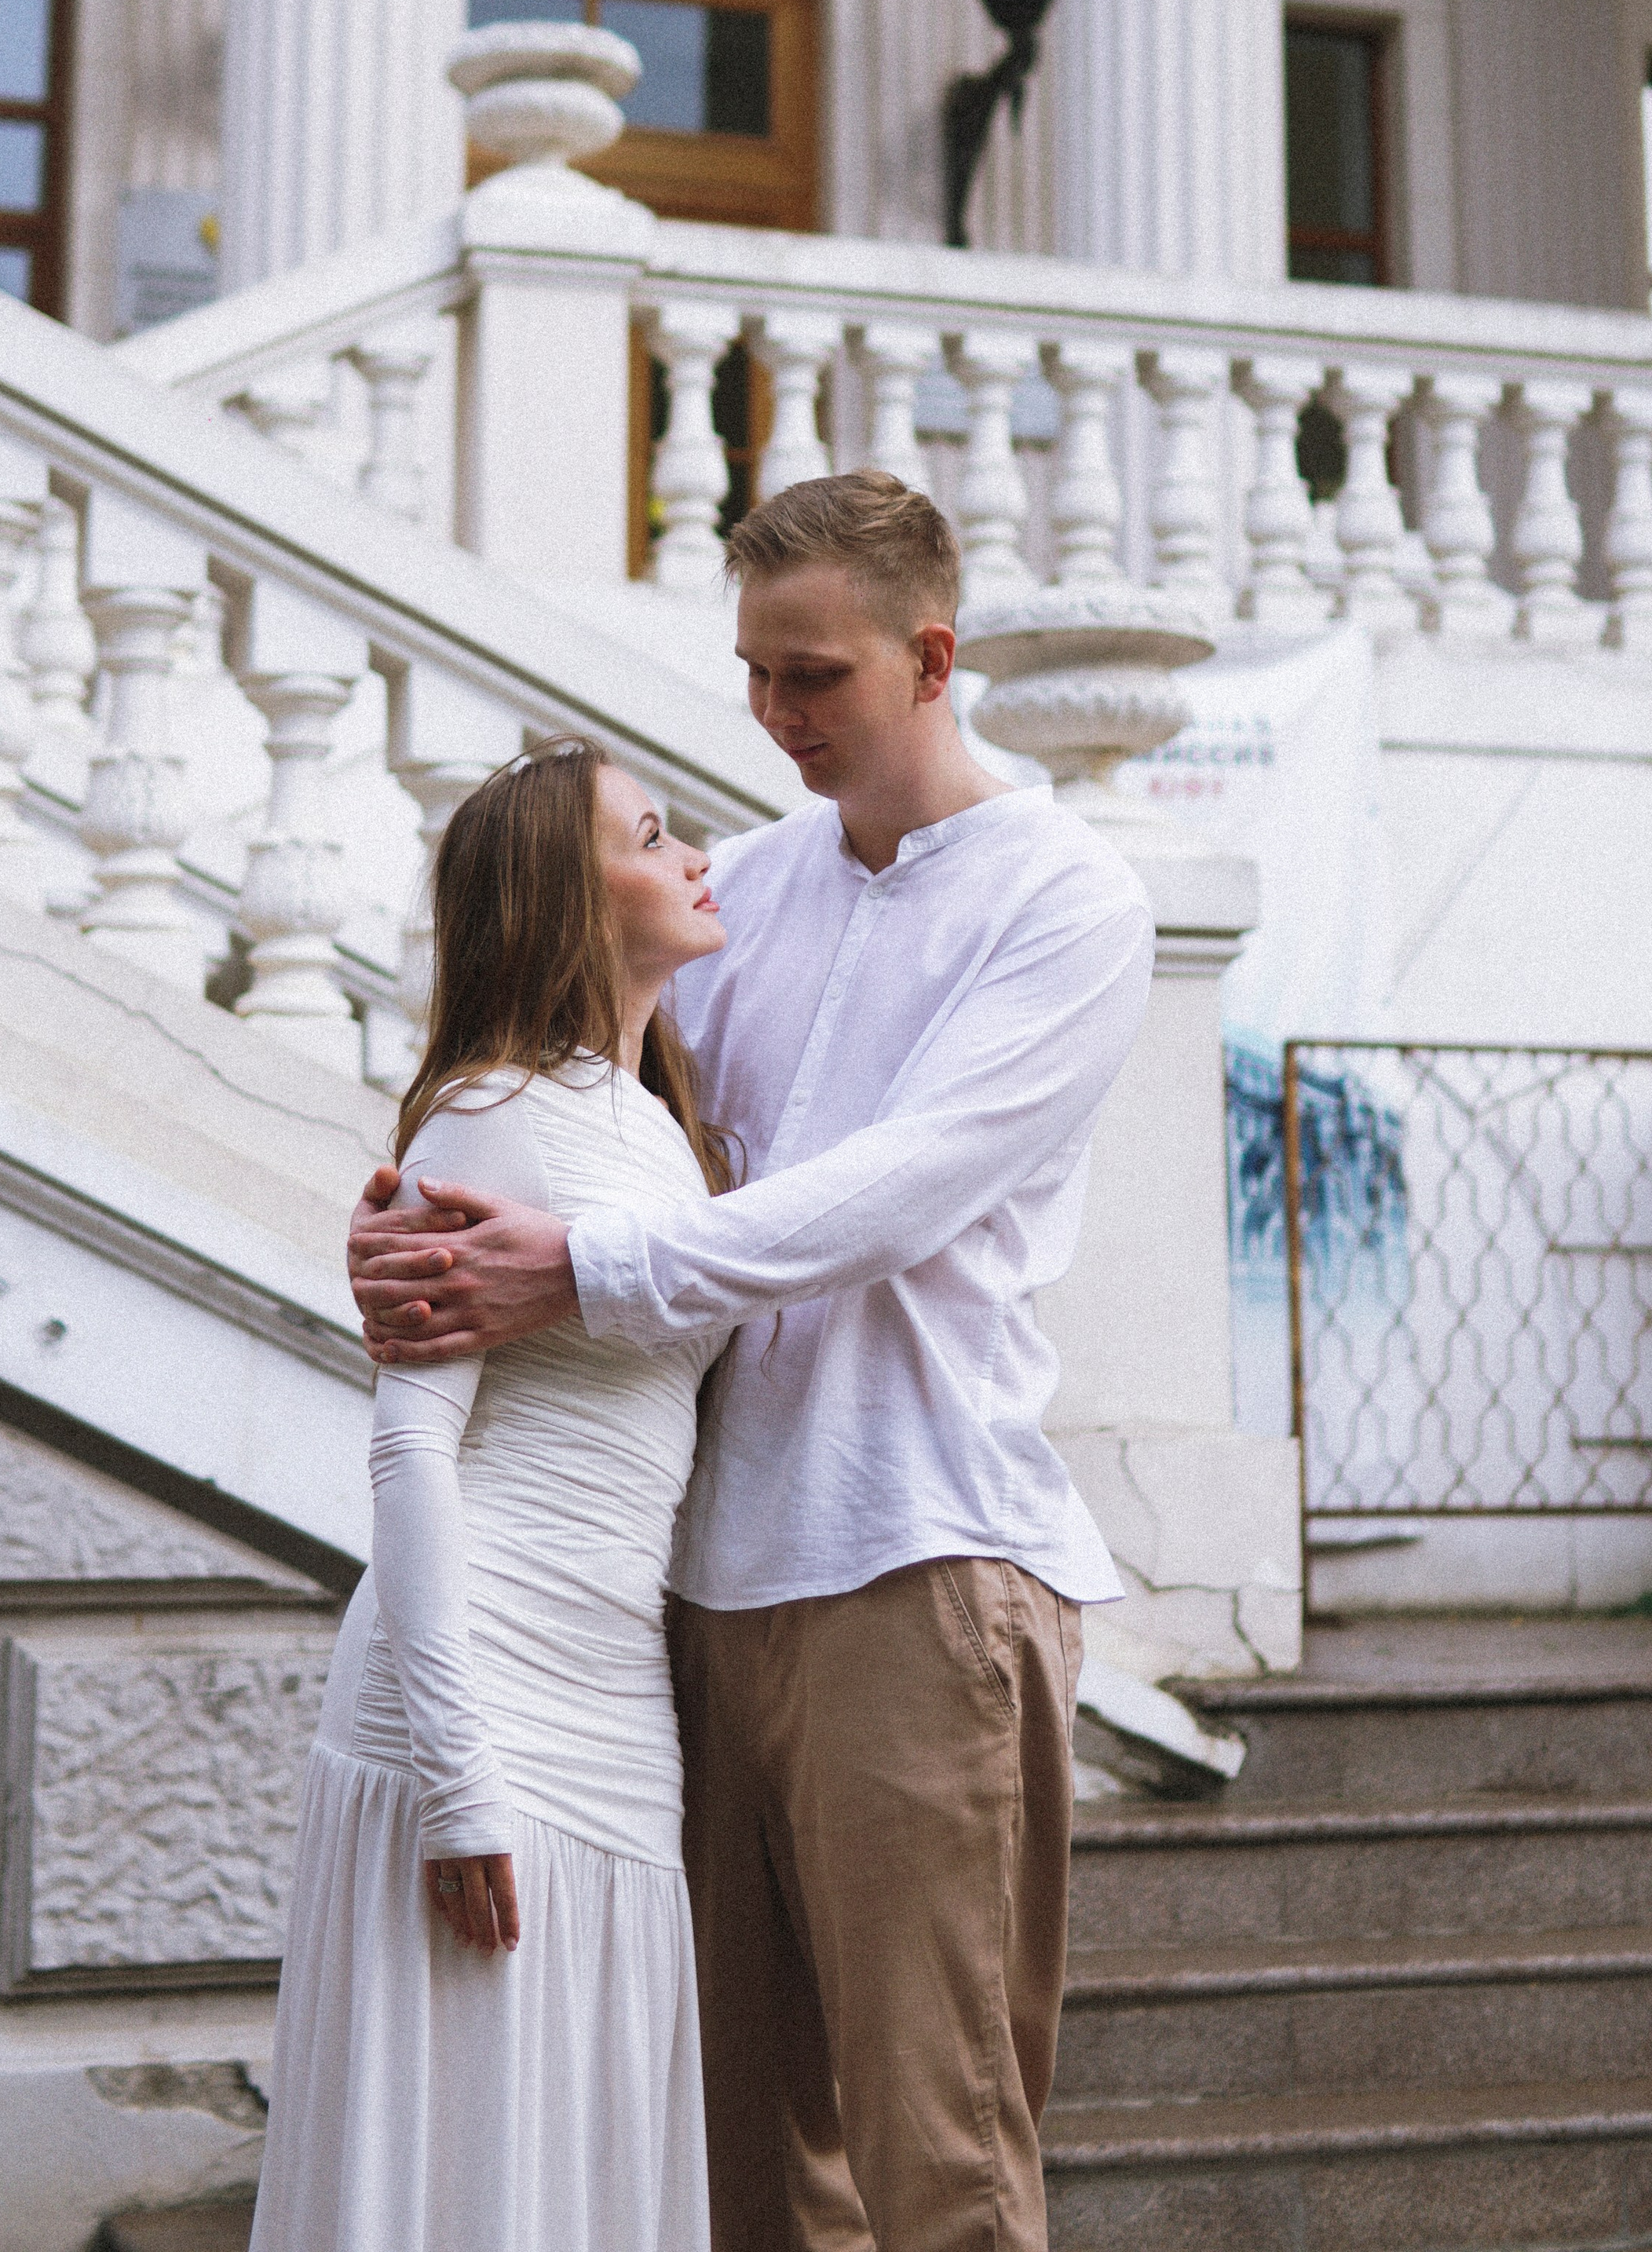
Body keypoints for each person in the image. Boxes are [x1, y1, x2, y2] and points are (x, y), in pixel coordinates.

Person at [349, 470, 1156, 2252]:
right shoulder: (747, 895)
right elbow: (574, 1087)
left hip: (920, 1563)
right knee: (735, 2171)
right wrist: (411, 1221)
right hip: (691, 1599)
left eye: (813, 679)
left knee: (934, 2161)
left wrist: (572, 1266)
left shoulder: (1069, 902)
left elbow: (887, 1198)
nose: (773, 718)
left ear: (927, 659)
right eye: (753, 674)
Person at [250, 740, 735, 2252]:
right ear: (566, 899)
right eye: (653, 838)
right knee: (456, 2160)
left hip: (617, 1697)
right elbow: (410, 1451)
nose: (696, 859)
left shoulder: (660, 1131)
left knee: (584, 2145)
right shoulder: (490, 1110)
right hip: (472, 1691)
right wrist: (461, 1777)